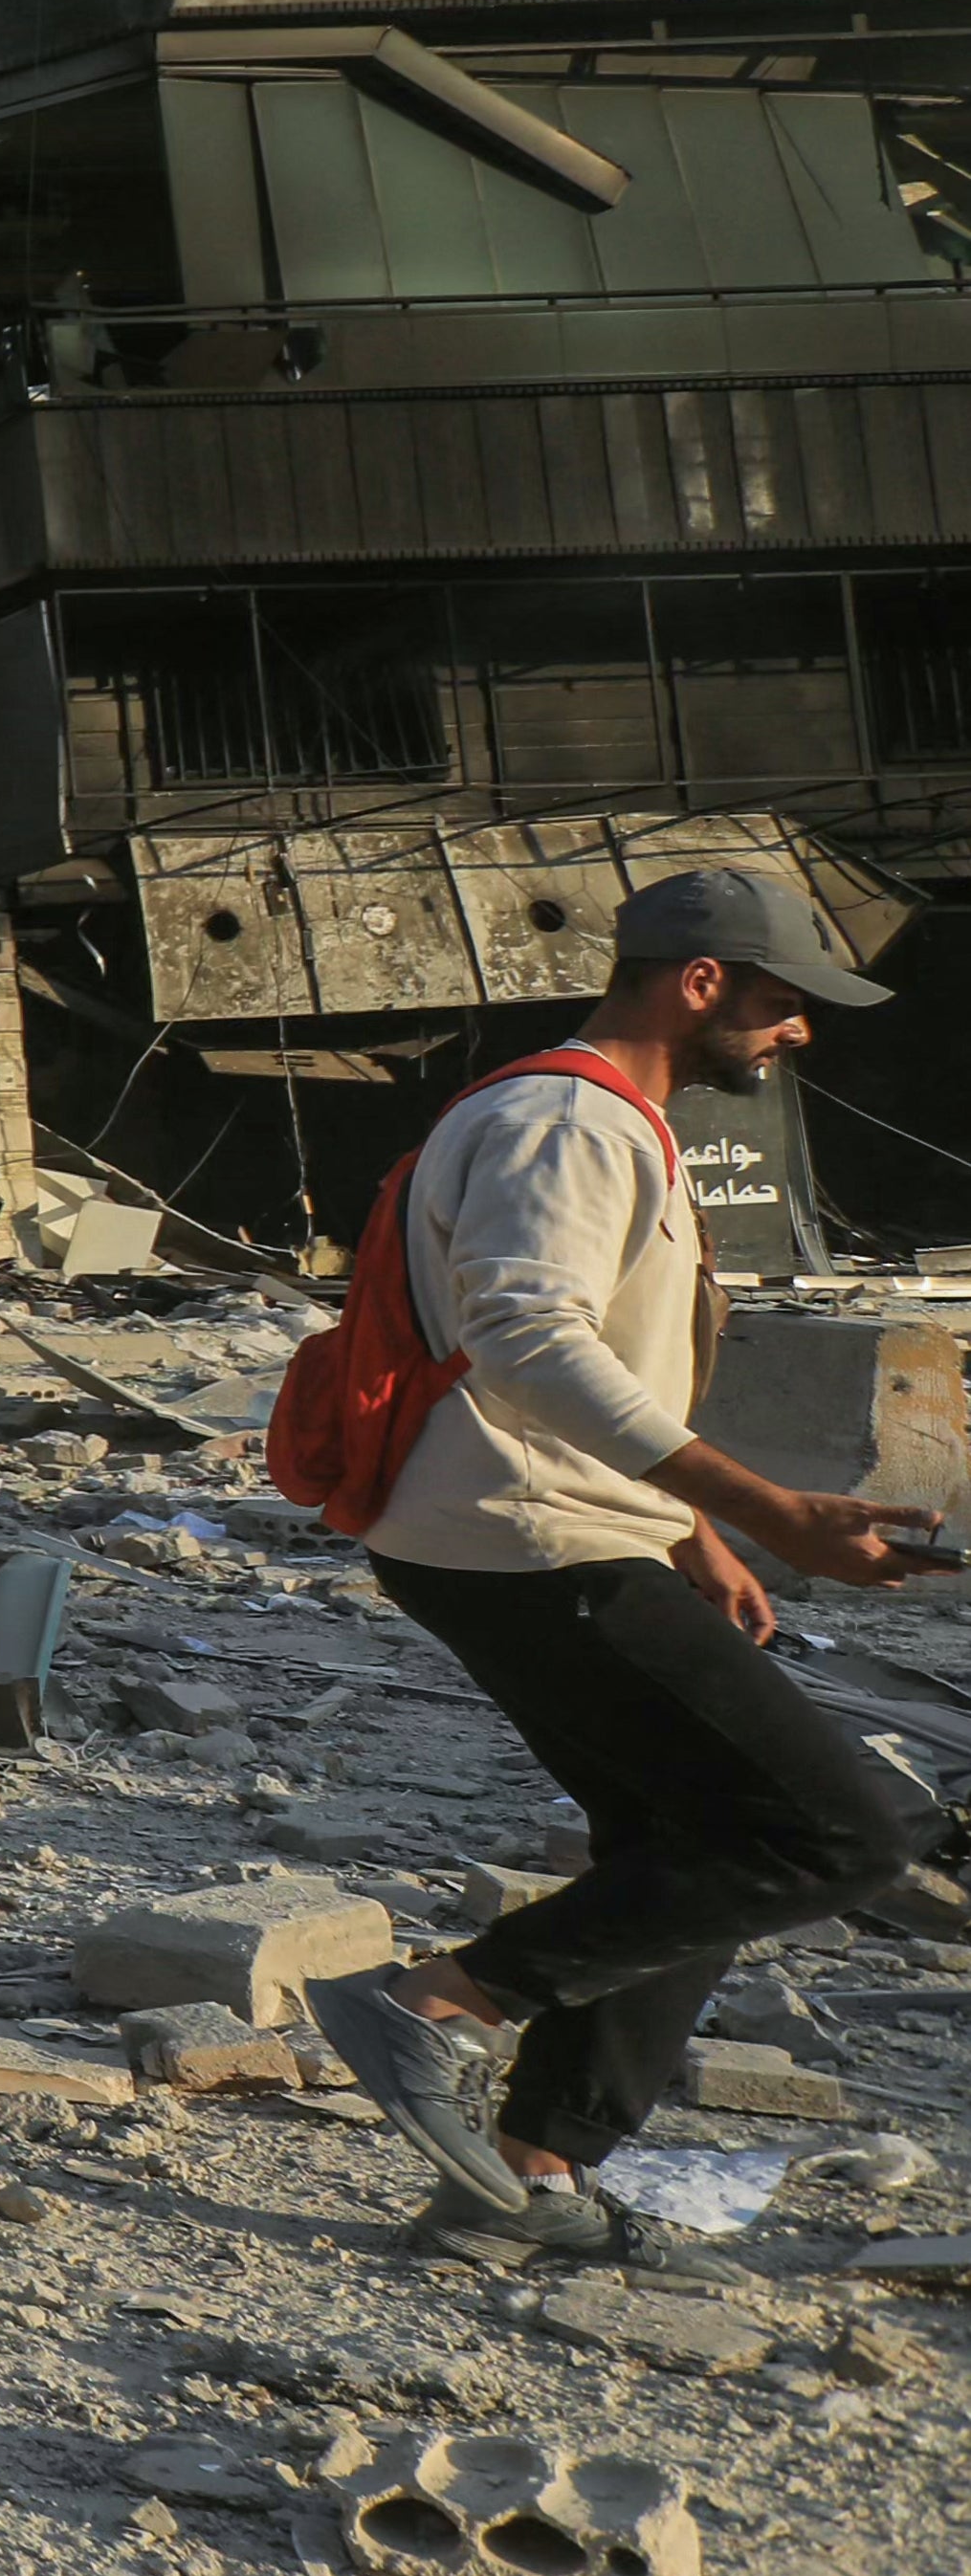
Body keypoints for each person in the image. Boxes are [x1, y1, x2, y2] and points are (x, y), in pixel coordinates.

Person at [305, 868, 948, 2270]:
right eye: (782, 1006)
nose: (797, 1037)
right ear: (700, 981)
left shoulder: (595, 1117)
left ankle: (530, 2174)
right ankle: (439, 2004)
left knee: (691, 1836)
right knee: (843, 1832)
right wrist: (763, 1502)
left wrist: (695, 1533)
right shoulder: (566, 1120)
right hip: (530, 1542)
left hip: (543, 1530)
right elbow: (529, 1339)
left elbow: (598, 1355)